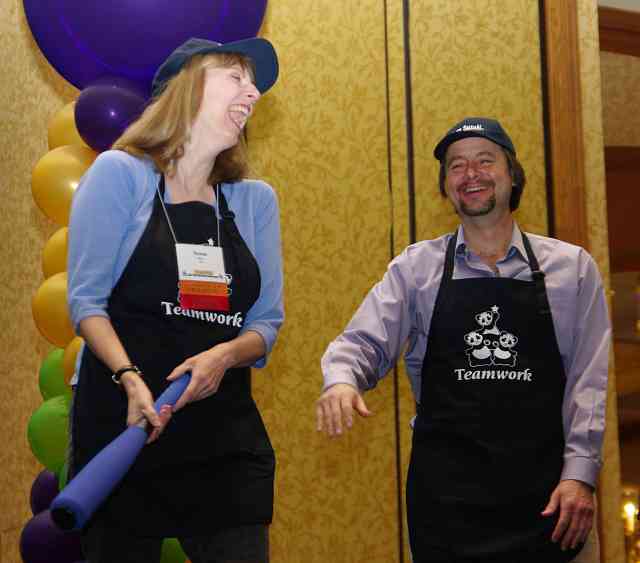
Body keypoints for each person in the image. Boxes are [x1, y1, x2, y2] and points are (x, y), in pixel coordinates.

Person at [316, 117, 610, 563]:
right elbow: (361, 343)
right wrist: (341, 380)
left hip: (553, 504)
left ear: (513, 176)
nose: (470, 174)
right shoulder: (415, 270)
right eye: (456, 166)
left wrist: (581, 475)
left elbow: (587, 384)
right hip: (447, 512)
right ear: (446, 187)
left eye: (485, 160)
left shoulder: (572, 269)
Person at [67, 37, 283, 563]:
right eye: (237, 77)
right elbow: (86, 303)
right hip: (126, 426)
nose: (253, 92)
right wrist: (129, 377)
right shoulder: (120, 176)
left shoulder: (254, 200)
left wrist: (224, 356)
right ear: (186, 89)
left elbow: (266, 322)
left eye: (253, 84)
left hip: (223, 442)